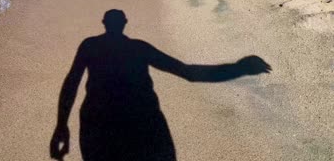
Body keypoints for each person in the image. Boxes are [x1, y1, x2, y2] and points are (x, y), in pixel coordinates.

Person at [50, 9, 271, 161]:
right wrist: (240, 68)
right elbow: (188, 73)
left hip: (98, 121)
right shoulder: (140, 48)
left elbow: (72, 83)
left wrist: (62, 125)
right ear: (125, 23)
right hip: (143, 119)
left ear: (104, 24)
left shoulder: (89, 45)